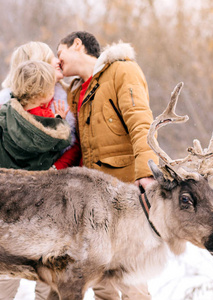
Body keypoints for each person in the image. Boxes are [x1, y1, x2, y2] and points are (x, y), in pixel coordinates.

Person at [57, 31, 159, 299]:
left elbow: (141, 124)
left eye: (60, 53)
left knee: (130, 278)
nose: (59, 61)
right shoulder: (78, 90)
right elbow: (78, 145)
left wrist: (147, 173)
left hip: (125, 196)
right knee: (100, 281)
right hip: (92, 203)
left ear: (77, 45)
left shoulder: (122, 71)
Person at [0, 60, 72, 299]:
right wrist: (60, 119)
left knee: (8, 262)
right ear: (46, 93)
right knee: (44, 260)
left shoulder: (6, 111)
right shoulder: (49, 122)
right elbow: (62, 143)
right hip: (38, 203)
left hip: (6, 199)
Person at [0, 41, 80, 170]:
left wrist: (52, 171)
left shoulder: (71, 98)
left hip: (55, 182)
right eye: (51, 57)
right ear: (36, 67)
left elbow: (75, 146)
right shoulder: (8, 107)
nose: (58, 61)